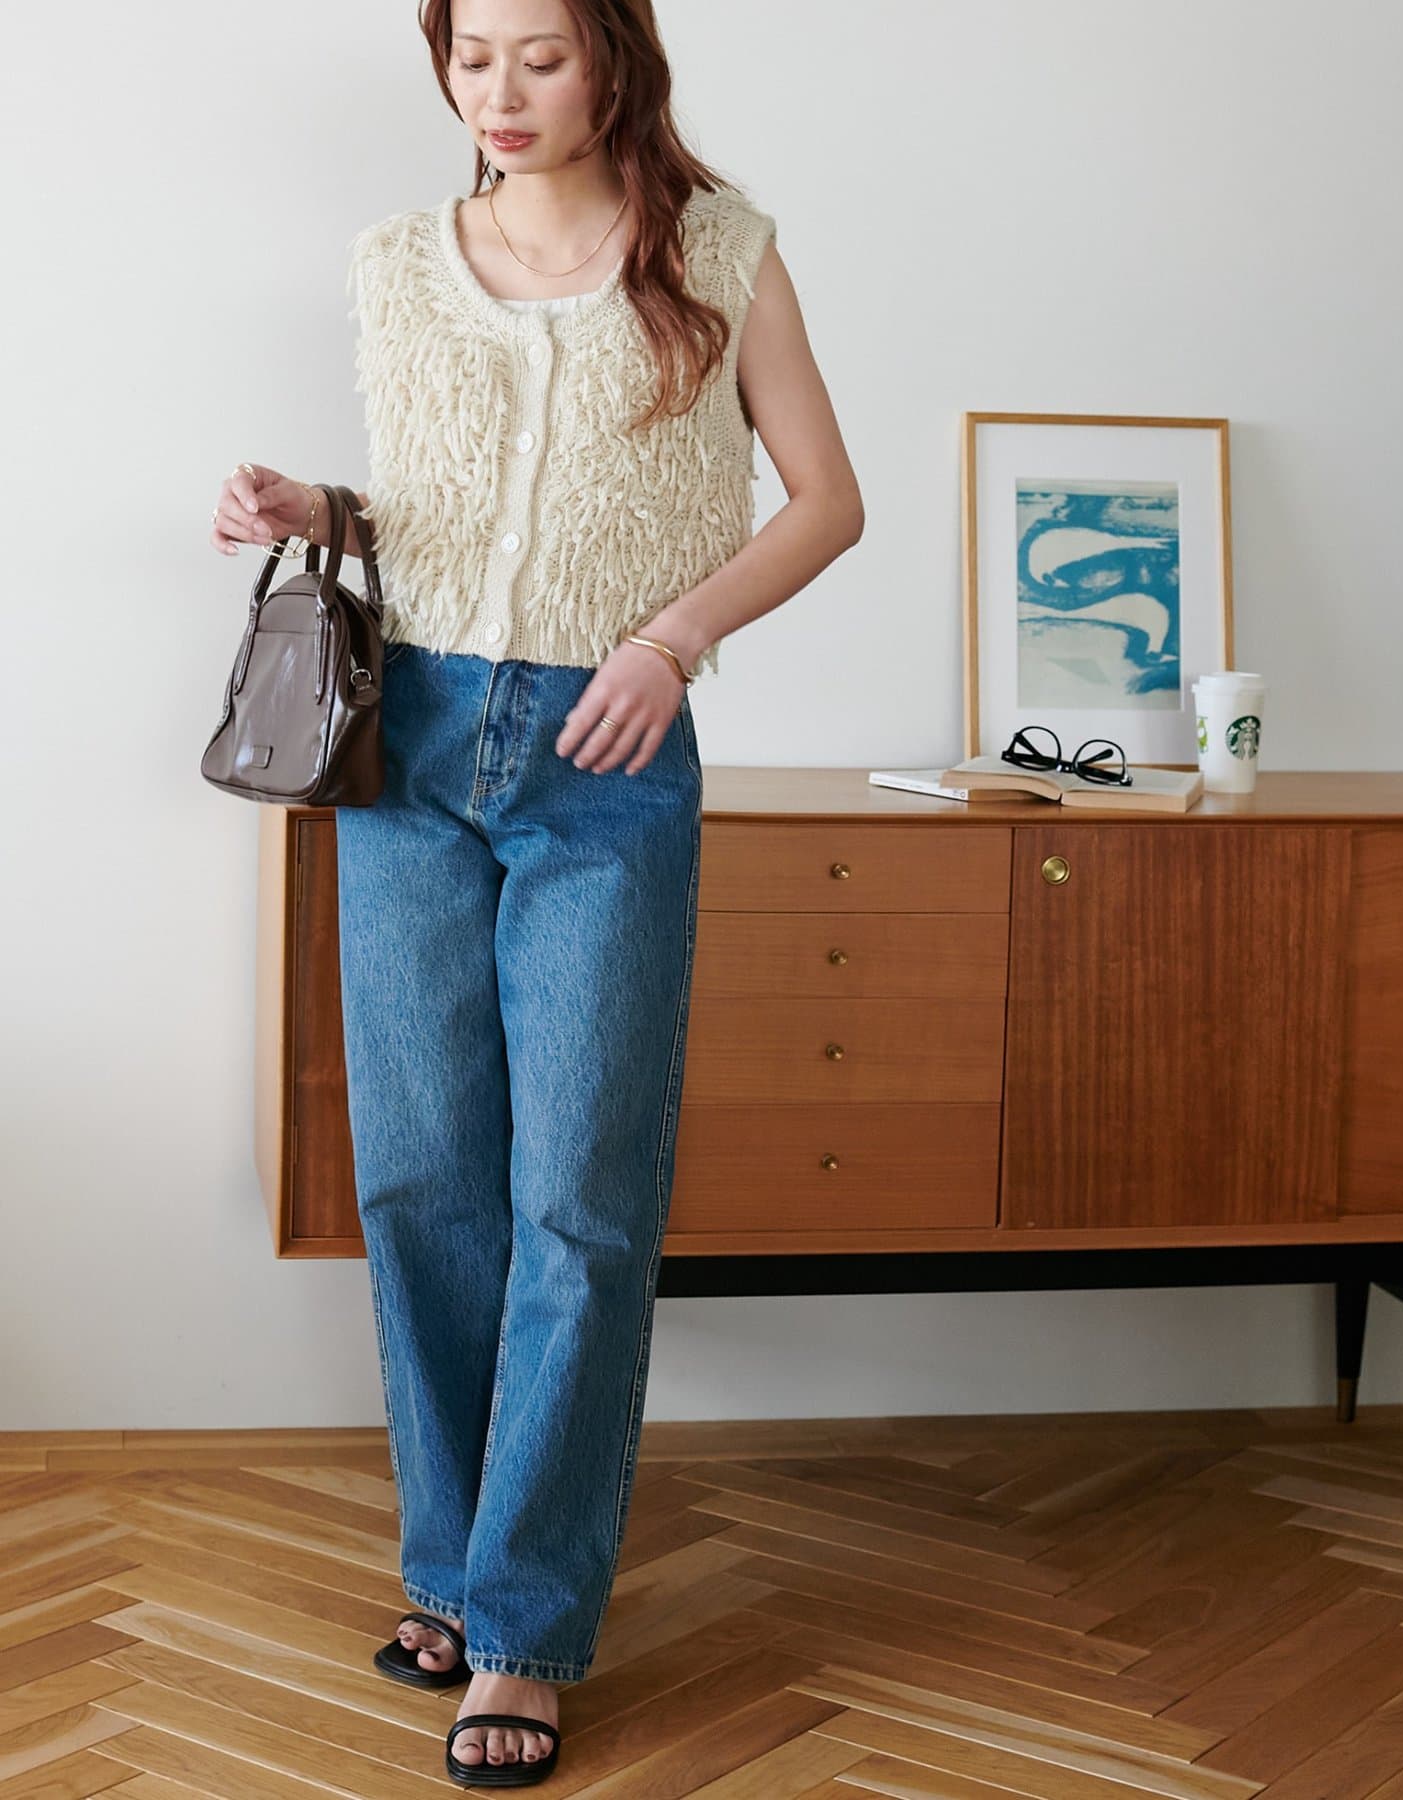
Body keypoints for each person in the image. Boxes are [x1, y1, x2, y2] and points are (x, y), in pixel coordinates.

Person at [208, 0, 861, 1784]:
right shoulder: (395, 263)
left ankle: (523, 1631)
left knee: (579, 1198)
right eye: (470, 53)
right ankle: (451, 1573)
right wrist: (317, 505)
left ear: (614, 61)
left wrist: (672, 640)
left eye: (540, 56)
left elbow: (826, 501)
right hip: (409, 743)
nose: (496, 92)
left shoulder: (721, 253)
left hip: (605, 753)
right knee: (423, 1179)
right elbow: (438, 514)